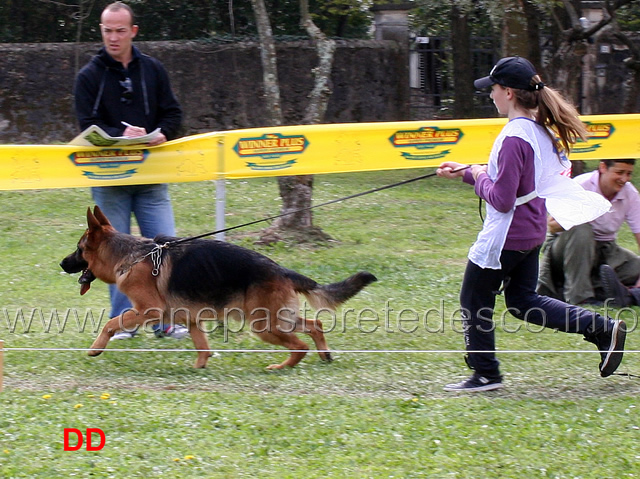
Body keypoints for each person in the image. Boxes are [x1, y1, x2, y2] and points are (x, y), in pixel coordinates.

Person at [436, 56, 625, 392]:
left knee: (474, 300)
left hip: (506, 236)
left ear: (508, 92)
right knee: (523, 302)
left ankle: (485, 374)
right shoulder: (540, 131)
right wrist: (467, 172)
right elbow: (517, 184)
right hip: (532, 231)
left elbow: (502, 198)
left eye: (492, 89)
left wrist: (478, 174)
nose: (490, 95)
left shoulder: (513, 137)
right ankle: (602, 328)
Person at [73, 1, 187, 340]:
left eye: (120, 30)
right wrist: (117, 136)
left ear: (133, 31)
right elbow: (86, 126)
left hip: (151, 179)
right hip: (109, 181)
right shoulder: (88, 76)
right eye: (108, 30)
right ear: (101, 31)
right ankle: (123, 320)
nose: (113, 37)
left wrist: (162, 133)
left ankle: (167, 319)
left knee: (165, 250)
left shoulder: (153, 69)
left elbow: (173, 114)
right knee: (112, 257)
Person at [538, 159, 640, 306]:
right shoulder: (580, 185)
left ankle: (626, 295)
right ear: (603, 167)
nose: (624, 179)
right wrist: (582, 214)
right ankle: (580, 296)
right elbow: (552, 226)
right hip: (567, 247)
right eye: (619, 172)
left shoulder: (630, 194)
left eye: (628, 174)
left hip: (606, 250)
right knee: (581, 229)